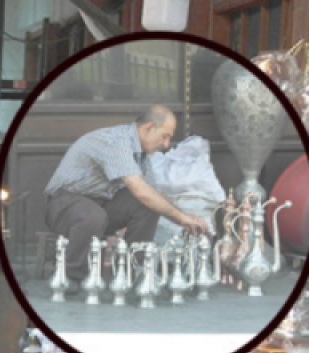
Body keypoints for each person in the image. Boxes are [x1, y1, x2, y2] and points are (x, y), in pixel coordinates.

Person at [45, 104, 210, 283]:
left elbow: (152, 195)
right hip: (64, 204)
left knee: (147, 206)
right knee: (93, 215)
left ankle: (132, 272)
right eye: (165, 136)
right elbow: (140, 190)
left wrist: (186, 218)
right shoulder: (115, 141)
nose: (166, 144)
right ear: (148, 128)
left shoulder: (142, 155)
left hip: (101, 205)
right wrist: (181, 218)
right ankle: (71, 278)